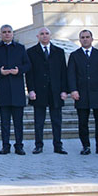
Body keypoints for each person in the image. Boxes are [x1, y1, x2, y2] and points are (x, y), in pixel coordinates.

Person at [67, 29, 98, 155]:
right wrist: (73, 90)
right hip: (81, 94)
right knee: (83, 122)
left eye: (87, 37)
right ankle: (85, 146)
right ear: (79, 39)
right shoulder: (74, 55)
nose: (85, 39)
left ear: (92, 39)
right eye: (82, 37)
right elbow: (71, 75)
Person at [0, 24, 31, 155]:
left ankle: (19, 146)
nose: (7, 34)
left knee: (18, 122)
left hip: (17, 90)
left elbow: (28, 65)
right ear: (1, 34)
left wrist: (19, 71)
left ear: (13, 34)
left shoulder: (20, 48)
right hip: (3, 90)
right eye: (4, 32)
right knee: (4, 122)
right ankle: (5, 146)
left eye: (9, 32)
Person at [25, 27, 68, 155]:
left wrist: (64, 90)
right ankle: (38, 145)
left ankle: (58, 146)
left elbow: (63, 72)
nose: (44, 36)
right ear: (37, 36)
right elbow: (29, 74)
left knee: (57, 121)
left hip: (56, 91)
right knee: (39, 121)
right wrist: (31, 90)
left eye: (47, 34)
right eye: (42, 34)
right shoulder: (31, 52)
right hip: (39, 91)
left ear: (50, 36)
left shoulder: (59, 51)